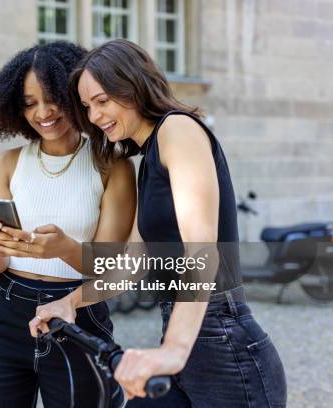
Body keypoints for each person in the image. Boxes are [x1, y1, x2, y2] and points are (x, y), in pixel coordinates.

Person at [29, 39, 287, 407]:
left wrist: (174, 350)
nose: (95, 116)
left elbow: (202, 249)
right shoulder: (148, 159)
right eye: (87, 107)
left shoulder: (177, 130)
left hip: (225, 350)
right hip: (186, 341)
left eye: (103, 101)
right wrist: (70, 302)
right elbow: (131, 266)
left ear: (133, 87)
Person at [0, 41, 135, 407]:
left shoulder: (113, 166)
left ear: (75, 96)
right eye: (29, 103)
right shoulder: (7, 164)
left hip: (76, 314)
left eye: (52, 97)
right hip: (4, 312)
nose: (43, 112)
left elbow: (110, 268)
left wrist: (64, 250)